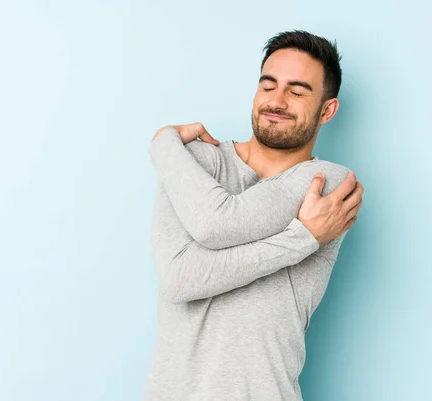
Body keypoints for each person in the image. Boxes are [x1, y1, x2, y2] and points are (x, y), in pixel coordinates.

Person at [143, 30, 364, 401]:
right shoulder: (196, 160)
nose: (276, 101)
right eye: (268, 86)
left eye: (297, 92)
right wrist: (302, 238)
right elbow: (180, 279)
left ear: (327, 110)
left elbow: (214, 224)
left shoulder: (328, 184)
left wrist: (164, 145)